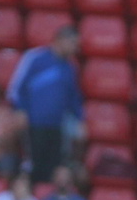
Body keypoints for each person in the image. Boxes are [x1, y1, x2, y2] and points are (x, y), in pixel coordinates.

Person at [7, 26, 83, 183]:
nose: (75, 48)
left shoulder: (70, 67)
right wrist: (19, 110)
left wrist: (80, 119)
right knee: (34, 165)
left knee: (54, 167)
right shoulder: (35, 58)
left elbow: (73, 96)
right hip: (34, 123)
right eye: (72, 43)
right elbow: (15, 88)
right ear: (60, 40)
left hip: (57, 125)